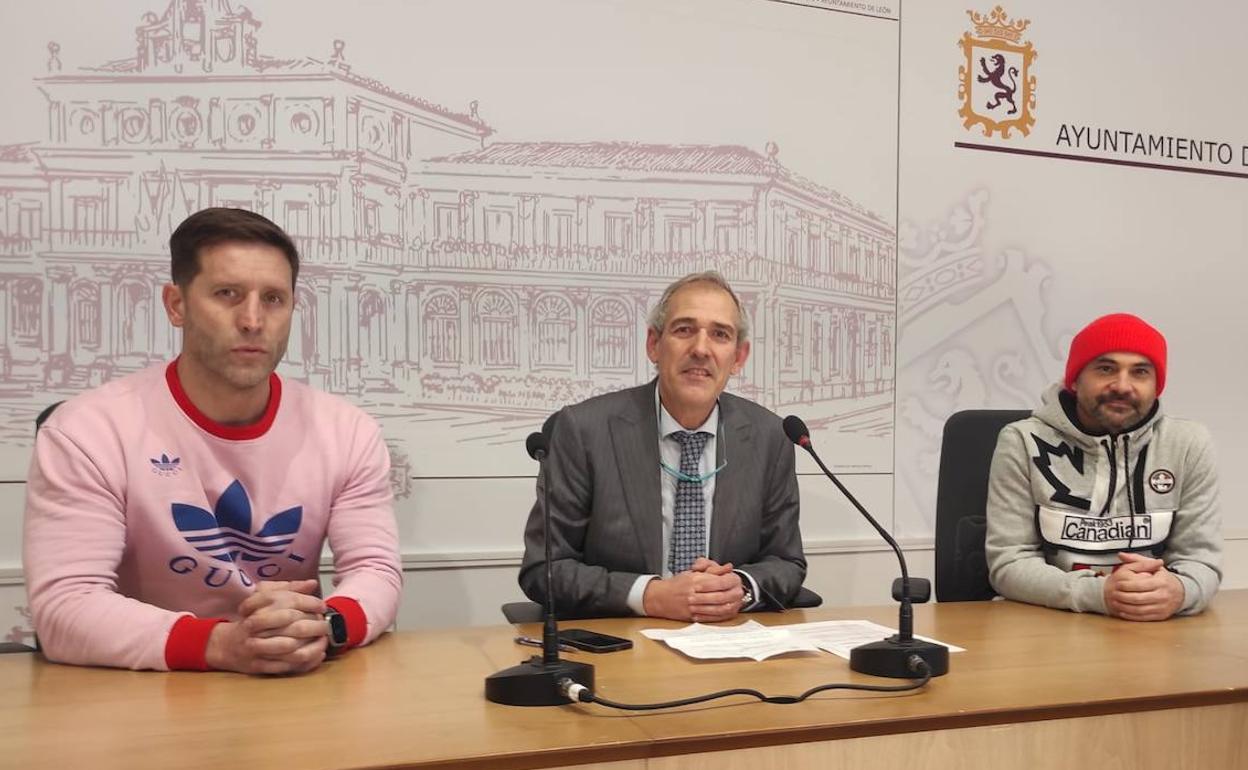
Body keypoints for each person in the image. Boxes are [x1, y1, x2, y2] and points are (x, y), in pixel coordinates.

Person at [23, 207, 402, 672]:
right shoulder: (86, 430)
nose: (252, 320)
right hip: (137, 693)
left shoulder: (348, 431)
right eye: (227, 294)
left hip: (292, 682)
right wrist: (223, 645)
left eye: (273, 299)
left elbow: (376, 571)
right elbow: (66, 607)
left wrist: (326, 626)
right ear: (176, 305)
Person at [519, 271, 806, 621]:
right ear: (654, 344)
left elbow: (787, 562)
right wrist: (650, 595)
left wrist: (742, 587)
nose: (701, 349)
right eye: (684, 330)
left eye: (720, 334)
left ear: (739, 356)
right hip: (624, 647)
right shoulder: (584, 430)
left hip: (730, 643)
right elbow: (544, 569)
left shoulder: (770, 436)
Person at [986, 313, 1221, 620]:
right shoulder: (1022, 440)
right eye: (1106, 368)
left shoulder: (1188, 443)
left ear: (1156, 386)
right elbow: (1009, 563)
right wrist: (1099, 594)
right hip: (1050, 629)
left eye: (1140, 372)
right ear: (1075, 379)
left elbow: (1200, 560)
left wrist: (1179, 590)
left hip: (1156, 633)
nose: (1123, 386)